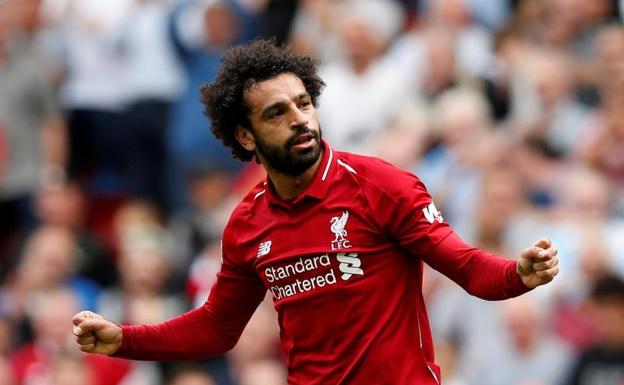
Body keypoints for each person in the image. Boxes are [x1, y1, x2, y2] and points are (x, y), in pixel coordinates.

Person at [72, 39, 560, 385]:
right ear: (246, 137)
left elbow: (468, 268)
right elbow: (218, 327)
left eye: (303, 103)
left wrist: (518, 273)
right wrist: (124, 340)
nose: (299, 119)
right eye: (276, 113)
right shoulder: (247, 223)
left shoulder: (380, 185)